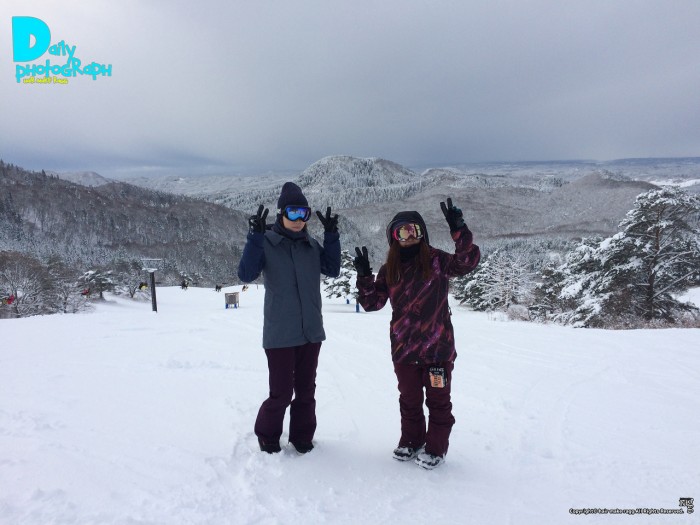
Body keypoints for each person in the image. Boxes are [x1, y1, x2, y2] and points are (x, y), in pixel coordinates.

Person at [353, 198, 480, 469]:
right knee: (409, 400)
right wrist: (364, 277)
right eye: (402, 231)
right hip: (404, 350)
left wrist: (460, 232)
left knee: (438, 402)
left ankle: (436, 448)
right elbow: (372, 303)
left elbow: (466, 262)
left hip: (438, 350)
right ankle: (411, 440)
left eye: (414, 230)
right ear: (393, 237)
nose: (408, 236)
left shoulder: (437, 261)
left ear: (422, 233)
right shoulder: (389, 270)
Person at [238, 182, 341, 454]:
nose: (298, 219)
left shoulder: (311, 245)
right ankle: (268, 435)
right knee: (281, 392)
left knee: (306, 391)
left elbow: (332, 269)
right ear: (281, 214)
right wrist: (254, 239)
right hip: (280, 333)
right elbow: (246, 274)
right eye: (293, 212)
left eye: (304, 213)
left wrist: (332, 237)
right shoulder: (267, 243)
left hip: (310, 331)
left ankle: (302, 437)